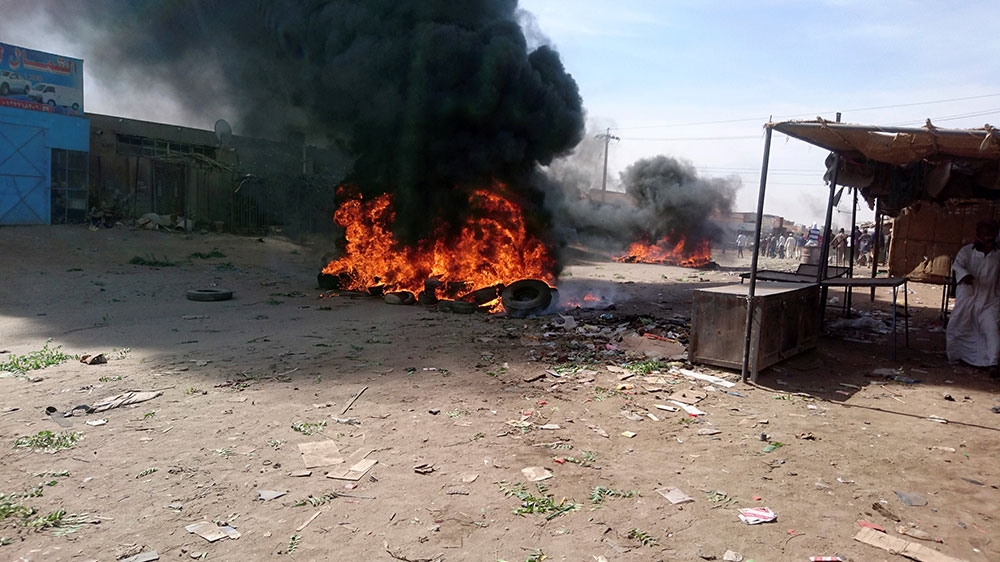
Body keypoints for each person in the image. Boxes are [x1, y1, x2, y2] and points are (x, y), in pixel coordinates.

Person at [947, 220, 1000, 376]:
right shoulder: (966, 252)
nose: (987, 241)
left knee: (991, 329)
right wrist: (965, 275)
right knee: (958, 325)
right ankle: (958, 356)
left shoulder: (998, 256)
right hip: (968, 297)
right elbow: (957, 266)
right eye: (984, 236)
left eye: (990, 237)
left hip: (990, 299)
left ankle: (993, 363)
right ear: (978, 236)